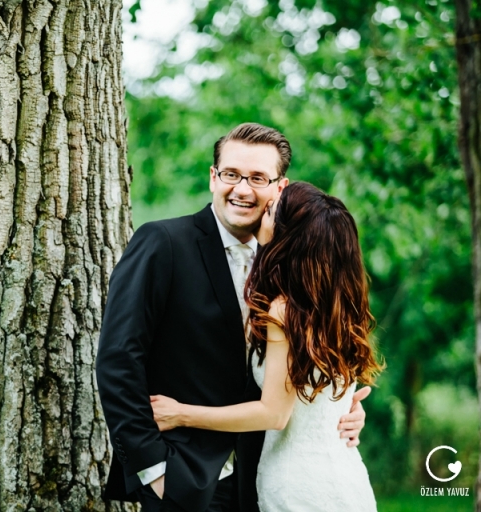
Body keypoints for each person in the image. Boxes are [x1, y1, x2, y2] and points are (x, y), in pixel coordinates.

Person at [95, 123, 369, 512]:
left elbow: (302, 367)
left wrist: (340, 413)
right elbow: (118, 360)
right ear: (213, 177)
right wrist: (152, 469)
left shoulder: (288, 268)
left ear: (279, 187)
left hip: (265, 479)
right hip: (184, 478)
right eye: (231, 174)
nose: (242, 189)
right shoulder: (163, 243)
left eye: (258, 178)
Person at [150, 181, 383, 511]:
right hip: (347, 478)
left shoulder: (284, 311)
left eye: (272, 211)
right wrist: (349, 410)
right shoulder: (337, 309)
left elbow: (274, 413)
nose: (261, 211)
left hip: (296, 483)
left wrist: (180, 415)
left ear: (289, 236)